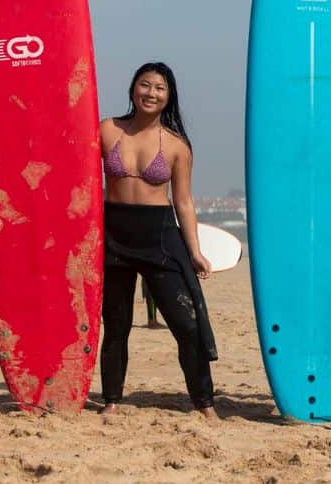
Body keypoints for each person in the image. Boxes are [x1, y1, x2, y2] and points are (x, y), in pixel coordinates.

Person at [99, 62, 218, 418]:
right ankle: (112, 401)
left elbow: (183, 201)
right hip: (113, 234)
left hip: (160, 237)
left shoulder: (178, 145)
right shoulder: (107, 129)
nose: (151, 93)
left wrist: (194, 251)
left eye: (159, 88)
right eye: (145, 85)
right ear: (133, 89)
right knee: (116, 324)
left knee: (187, 324)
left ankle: (204, 403)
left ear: (169, 97)